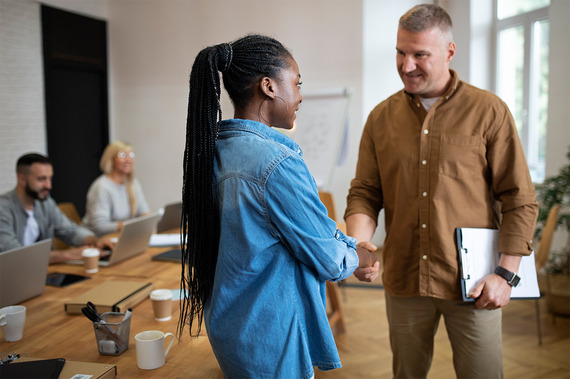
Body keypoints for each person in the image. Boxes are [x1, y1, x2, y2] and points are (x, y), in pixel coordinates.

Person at [345, 4, 538, 378]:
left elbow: (518, 197)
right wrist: (360, 244)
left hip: (475, 283)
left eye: (420, 54)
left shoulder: (489, 112)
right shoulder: (380, 118)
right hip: (404, 279)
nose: (407, 65)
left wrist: (506, 275)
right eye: (401, 52)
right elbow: (365, 192)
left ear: (449, 52)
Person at [178, 34, 379, 378]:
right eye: (297, 84)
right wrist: (361, 256)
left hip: (231, 327)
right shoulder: (276, 163)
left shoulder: (213, 150)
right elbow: (328, 257)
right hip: (269, 335)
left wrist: (347, 245)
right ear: (269, 87)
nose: (300, 96)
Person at [0, 153, 112, 264]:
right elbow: (14, 255)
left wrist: (95, 240)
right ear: (21, 178)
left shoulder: (46, 203)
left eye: (50, 179)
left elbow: (70, 231)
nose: (49, 186)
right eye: (41, 179)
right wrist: (67, 255)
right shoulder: (3, 208)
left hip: (46, 274)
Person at [82, 141, 149, 236]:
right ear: (111, 159)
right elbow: (100, 227)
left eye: (131, 155)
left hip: (122, 236)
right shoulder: (102, 186)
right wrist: (132, 225)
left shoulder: (133, 183)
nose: (128, 160)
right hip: (97, 241)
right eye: (123, 155)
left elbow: (144, 212)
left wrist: (150, 223)